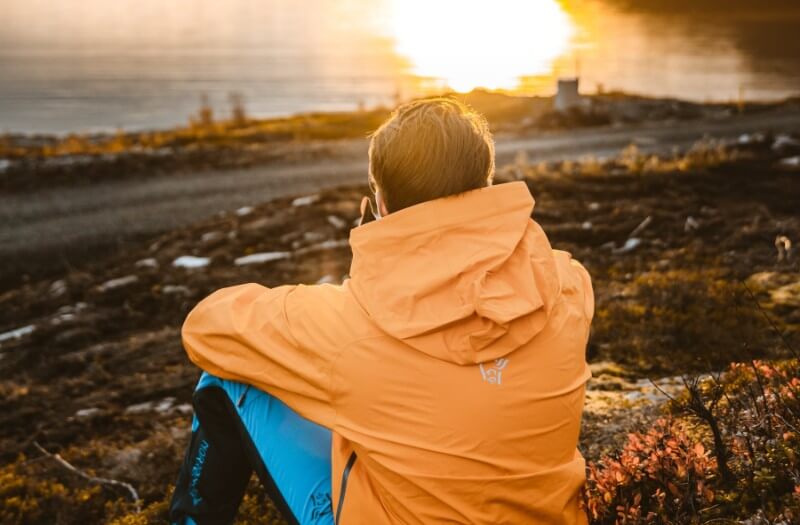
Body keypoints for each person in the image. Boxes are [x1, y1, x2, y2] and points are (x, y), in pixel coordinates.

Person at [169, 98, 594, 525]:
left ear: (381, 203)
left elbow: (205, 329)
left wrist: (379, 263)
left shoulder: (348, 327)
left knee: (228, 373)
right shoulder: (568, 283)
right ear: (484, 186)